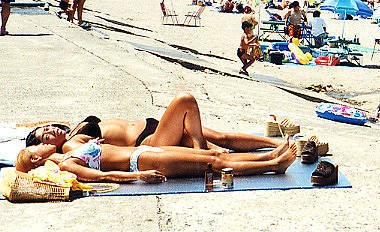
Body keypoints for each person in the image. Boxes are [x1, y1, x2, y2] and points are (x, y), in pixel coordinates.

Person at [25, 93, 284, 154]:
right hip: (148, 141)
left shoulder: (72, 130)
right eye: (46, 136)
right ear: (46, 146)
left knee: (220, 137)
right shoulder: (70, 146)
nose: (51, 130)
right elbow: (94, 154)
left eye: (47, 128)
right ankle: (204, 156)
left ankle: (277, 144)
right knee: (185, 102)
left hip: (152, 126)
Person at [16, 138, 297, 182]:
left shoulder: (67, 153)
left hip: (143, 153)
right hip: (142, 163)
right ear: (37, 159)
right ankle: (273, 166)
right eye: (36, 148)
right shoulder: (66, 165)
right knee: (212, 166)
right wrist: (139, 175)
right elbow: (104, 176)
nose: (41, 145)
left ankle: (270, 155)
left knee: (216, 155)